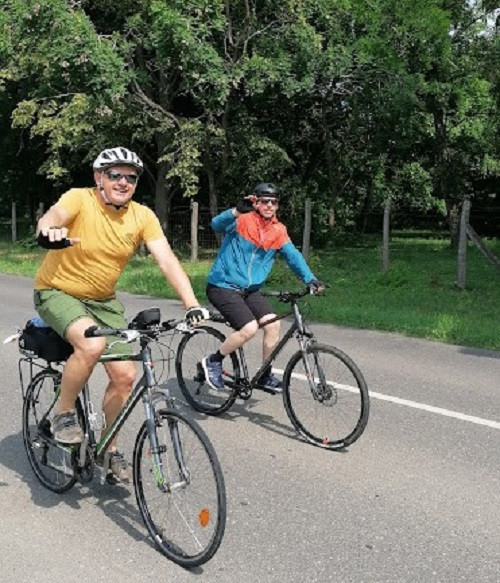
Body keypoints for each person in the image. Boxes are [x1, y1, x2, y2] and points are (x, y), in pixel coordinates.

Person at [34, 146, 209, 482]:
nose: (123, 182)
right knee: (91, 345)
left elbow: (166, 260)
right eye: (114, 174)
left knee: (126, 376)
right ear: (99, 177)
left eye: (131, 177)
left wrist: (191, 304)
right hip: (57, 291)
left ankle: (107, 448)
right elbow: (52, 217)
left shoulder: (142, 216)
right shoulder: (79, 198)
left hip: (103, 301)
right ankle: (63, 414)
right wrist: (49, 231)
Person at [202, 182, 324, 393]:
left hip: (250, 290)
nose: (269, 205)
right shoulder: (242, 220)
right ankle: (213, 361)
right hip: (223, 286)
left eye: (273, 202)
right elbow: (216, 224)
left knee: (273, 324)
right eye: (265, 201)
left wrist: (310, 279)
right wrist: (236, 211)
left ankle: (264, 374)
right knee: (249, 328)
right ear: (256, 202)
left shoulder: (278, 230)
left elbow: (293, 256)